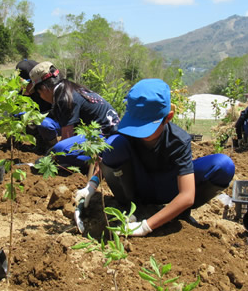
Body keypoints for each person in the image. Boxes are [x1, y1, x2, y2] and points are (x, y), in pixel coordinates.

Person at [75, 78, 235, 236]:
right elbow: (102, 158)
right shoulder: (125, 131)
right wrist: (91, 185)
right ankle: (132, 207)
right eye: (136, 125)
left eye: (146, 128)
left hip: (166, 188)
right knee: (114, 144)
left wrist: (145, 227)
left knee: (223, 165)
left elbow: (187, 195)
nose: (139, 133)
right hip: (134, 187)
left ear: (168, 118)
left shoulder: (178, 141)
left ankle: (176, 213)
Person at [26, 61, 120, 168]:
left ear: (43, 88)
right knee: (61, 150)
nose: (41, 96)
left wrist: (49, 158)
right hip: (112, 136)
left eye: (39, 93)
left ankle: (98, 162)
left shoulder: (64, 98)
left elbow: (66, 138)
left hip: (106, 138)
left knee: (60, 150)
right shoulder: (69, 88)